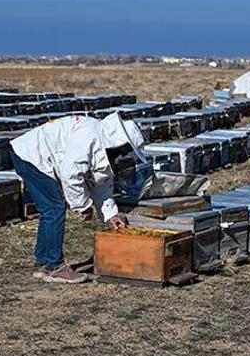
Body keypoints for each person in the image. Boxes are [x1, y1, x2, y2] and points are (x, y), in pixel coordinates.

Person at [10, 111, 148, 284]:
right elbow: (70, 173)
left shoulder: (101, 142)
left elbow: (101, 184)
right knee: (54, 208)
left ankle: (44, 262)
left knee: (50, 209)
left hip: (34, 157)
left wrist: (110, 215)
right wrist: (82, 206)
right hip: (30, 155)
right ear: (120, 141)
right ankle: (55, 266)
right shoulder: (89, 135)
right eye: (126, 149)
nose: (125, 154)